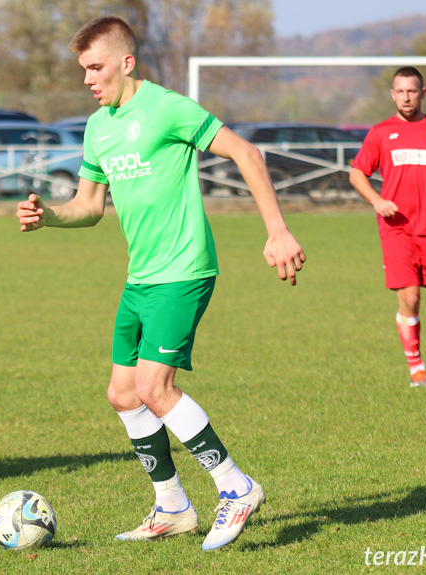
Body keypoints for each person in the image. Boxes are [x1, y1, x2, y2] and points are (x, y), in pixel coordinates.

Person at [16, 17, 305, 551]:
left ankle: (236, 487)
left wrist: (277, 231)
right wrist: (49, 216)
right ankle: (173, 506)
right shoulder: (99, 125)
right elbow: (88, 206)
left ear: (126, 63)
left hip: (184, 270)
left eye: (95, 67)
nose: (87, 80)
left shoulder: (167, 107)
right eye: (82, 69)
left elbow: (247, 152)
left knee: (154, 388)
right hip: (141, 277)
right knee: (123, 394)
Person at [350, 67, 426, 388]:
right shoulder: (380, 133)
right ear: (393, 95)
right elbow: (357, 174)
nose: (407, 97)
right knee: (411, 300)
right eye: (400, 92)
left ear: (423, 93)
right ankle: (417, 368)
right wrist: (377, 202)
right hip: (397, 232)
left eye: (412, 91)